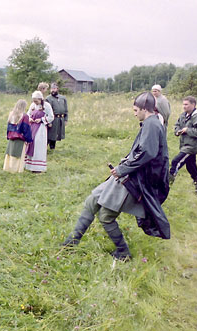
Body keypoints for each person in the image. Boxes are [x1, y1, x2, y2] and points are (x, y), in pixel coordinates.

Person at [61, 92, 170, 260]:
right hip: (128, 174)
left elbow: (148, 153)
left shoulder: (152, 125)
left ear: (144, 109)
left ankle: (123, 252)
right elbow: (142, 152)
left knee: (106, 216)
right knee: (92, 200)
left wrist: (122, 169)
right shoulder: (150, 122)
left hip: (134, 180)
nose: (134, 113)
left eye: (135, 110)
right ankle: (70, 243)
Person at [169, 96, 197, 197]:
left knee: (176, 161)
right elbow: (177, 125)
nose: (184, 106)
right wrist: (177, 131)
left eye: (186, 104)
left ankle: (167, 185)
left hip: (192, 146)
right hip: (185, 145)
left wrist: (187, 130)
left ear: (193, 105)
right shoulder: (183, 115)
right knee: (191, 167)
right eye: (183, 104)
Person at [25, 91, 54, 173]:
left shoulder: (47, 106)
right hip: (32, 127)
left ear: (40, 99)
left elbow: (51, 117)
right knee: (30, 143)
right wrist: (29, 118)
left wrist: (41, 120)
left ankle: (38, 168)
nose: (35, 102)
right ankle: (29, 165)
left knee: (38, 145)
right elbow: (28, 114)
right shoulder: (33, 105)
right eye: (33, 100)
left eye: (36, 100)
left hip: (40, 129)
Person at [3, 99, 33, 173]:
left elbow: (8, 127)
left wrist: (8, 135)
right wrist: (28, 139)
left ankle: (7, 168)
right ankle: (16, 170)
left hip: (11, 136)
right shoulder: (24, 116)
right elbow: (26, 129)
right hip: (20, 138)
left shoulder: (11, 114)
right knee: (18, 154)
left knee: (10, 152)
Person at [45, 83, 68, 150]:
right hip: (52, 119)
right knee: (50, 134)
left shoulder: (63, 98)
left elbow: (66, 110)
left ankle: (52, 148)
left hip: (60, 119)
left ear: (57, 89)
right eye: (52, 89)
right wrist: (49, 121)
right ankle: (44, 148)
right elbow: (47, 111)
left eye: (54, 88)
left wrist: (66, 119)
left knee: (56, 134)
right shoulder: (48, 99)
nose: (53, 90)